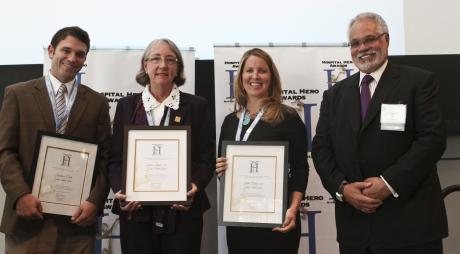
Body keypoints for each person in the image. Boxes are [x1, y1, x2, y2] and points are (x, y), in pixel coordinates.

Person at [312, 12, 448, 254]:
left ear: (386, 39)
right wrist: (343, 189)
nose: (362, 48)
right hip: (355, 229)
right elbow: (321, 149)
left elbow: (432, 140)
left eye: (370, 39)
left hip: (410, 227)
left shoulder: (419, 82)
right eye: (355, 43)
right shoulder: (334, 95)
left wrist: (388, 183)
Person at [0, 26, 111, 253]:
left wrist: (95, 202)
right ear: (51, 51)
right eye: (66, 50)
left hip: (77, 225)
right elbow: (5, 151)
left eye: (80, 54)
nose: (72, 58)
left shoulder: (97, 102)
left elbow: (106, 159)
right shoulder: (17, 94)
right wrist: (20, 195)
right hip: (27, 221)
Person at [107, 38, 214, 254]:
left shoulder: (196, 105)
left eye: (170, 59)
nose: (162, 65)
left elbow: (205, 158)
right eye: (155, 58)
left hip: (183, 212)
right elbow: (116, 159)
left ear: (178, 68)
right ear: (145, 66)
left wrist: (194, 186)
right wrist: (122, 190)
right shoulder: (126, 106)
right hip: (136, 212)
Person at [215, 48, 308, 254]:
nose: (255, 76)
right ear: (240, 78)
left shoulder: (288, 117)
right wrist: (221, 169)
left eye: (262, 71)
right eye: (249, 70)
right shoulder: (230, 122)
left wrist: (293, 209)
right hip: (240, 220)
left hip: (278, 218)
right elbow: (225, 176)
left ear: (271, 78)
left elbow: (301, 169)